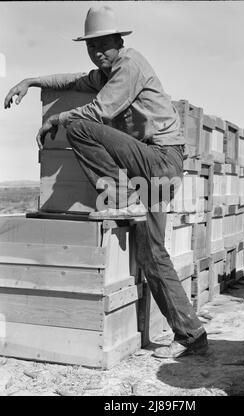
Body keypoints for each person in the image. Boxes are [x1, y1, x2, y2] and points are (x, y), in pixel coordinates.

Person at [4, 5, 208, 358]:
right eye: (91, 47)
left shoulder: (129, 64)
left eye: (103, 45)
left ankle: (119, 195)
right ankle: (192, 335)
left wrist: (57, 120)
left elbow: (99, 111)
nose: (97, 52)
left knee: (81, 126)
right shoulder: (107, 71)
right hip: (150, 171)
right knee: (151, 253)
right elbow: (71, 81)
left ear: (118, 41)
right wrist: (30, 80)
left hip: (159, 162)